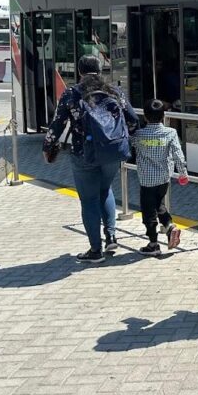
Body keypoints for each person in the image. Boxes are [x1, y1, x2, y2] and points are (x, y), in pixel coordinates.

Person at [43, 55, 138, 263]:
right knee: (106, 189)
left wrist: (47, 147)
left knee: (89, 199)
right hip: (112, 153)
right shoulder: (114, 91)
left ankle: (95, 251)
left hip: (83, 153)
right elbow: (133, 120)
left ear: (79, 71)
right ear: (101, 69)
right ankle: (111, 236)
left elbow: (57, 125)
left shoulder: (71, 94)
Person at [131, 99, 188, 256]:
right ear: (163, 116)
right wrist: (183, 173)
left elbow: (129, 146)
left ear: (145, 117)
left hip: (146, 180)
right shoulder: (170, 133)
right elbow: (177, 153)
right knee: (159, 205)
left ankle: (153, 243)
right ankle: (170, 226)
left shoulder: (138, 134)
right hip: (164, 177)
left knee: (148, 211)